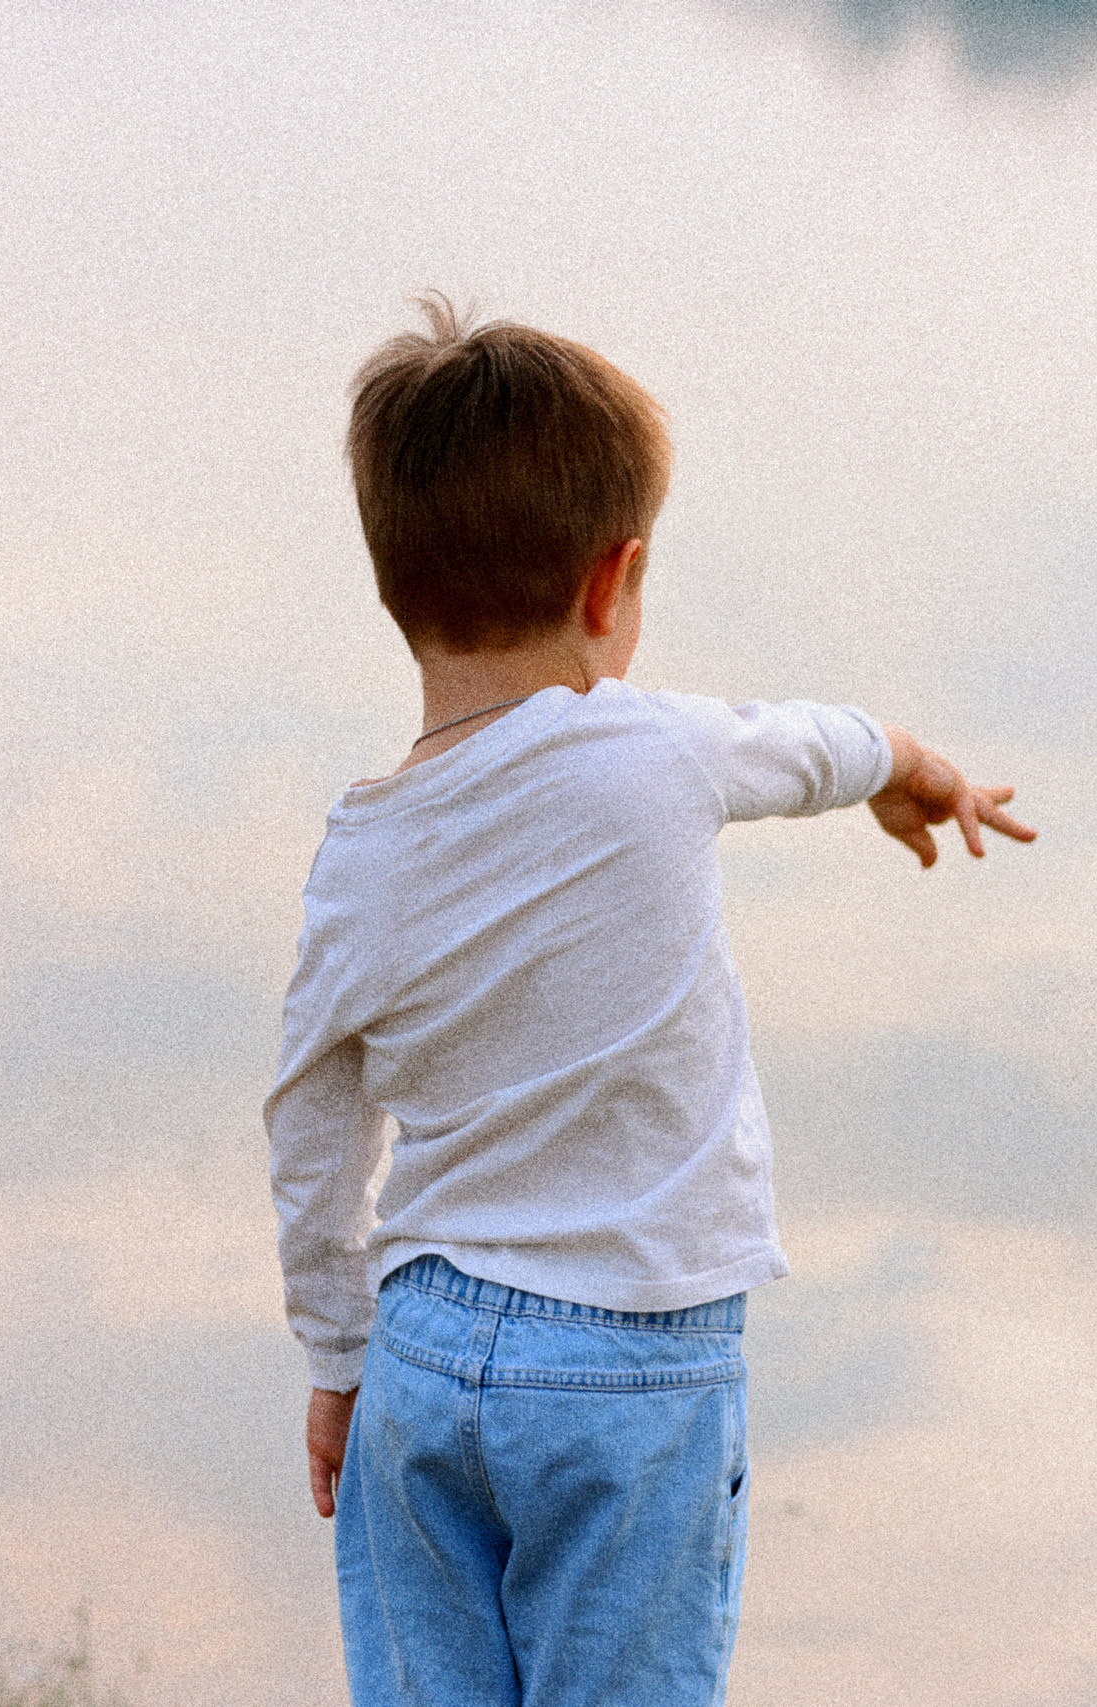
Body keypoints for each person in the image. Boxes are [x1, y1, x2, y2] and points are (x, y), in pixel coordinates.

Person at [266, 298, 1035, 1707]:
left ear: (394, 582)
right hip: (631, 1366)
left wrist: (337, 1353)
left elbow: (311, 1115)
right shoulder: (651, 750)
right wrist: (917, 768)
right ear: (615, 583)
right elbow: (811, 745)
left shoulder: (358, 847)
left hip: (424, 1350)